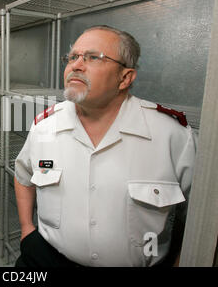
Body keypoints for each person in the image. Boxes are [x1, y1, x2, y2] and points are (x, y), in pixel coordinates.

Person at [13, 25, 196, 267]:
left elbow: (201, 213)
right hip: (47, 259)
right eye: (73, 57)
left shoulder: (171, 135)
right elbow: (24, 176)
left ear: (125, 78)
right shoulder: (45, 127)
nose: (75, 65)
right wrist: (27, 229)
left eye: (93, 57)